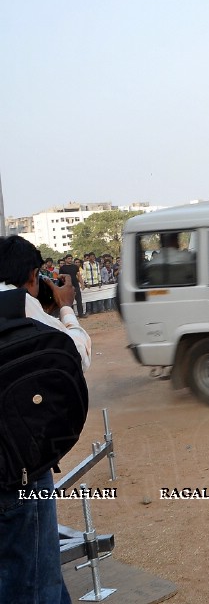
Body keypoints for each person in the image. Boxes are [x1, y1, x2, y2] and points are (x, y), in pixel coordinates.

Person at [1, 235, 91, 604]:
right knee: (36, 578)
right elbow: (78, 354)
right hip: (20, 469)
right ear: (34, 276)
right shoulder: (18, 304)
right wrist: (65, 308)